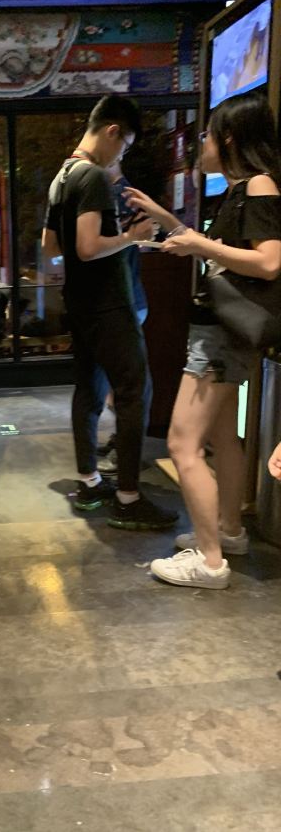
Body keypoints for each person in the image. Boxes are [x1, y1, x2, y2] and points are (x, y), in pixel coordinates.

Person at [125, 92, 281, 589]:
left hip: (218, 337)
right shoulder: (242, 189)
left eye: (208, 134)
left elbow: (269, 262)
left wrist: (196, 242)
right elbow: (222, 254)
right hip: (222, 333)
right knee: (221, 439)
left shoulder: (257, 186)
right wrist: (171, 223)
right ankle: (229, 531)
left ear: (229, 139)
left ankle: (210, 561)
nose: (202, 144)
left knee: (182, 443)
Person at [42, 94, 178, 530]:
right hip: (109, 303)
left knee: (88, 388)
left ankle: (89, 481)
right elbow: (88, 247)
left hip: (81, 303)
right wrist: (132, 236)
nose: (122, 155)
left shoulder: (62, 176)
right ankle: (128, 498)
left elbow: (51, 246)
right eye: (125, 146)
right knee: (136, 391)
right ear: (112, 131)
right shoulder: (95, 177)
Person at [97, 157, 153, 475]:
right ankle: (123, 442)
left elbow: (138, 240)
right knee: (124, 383)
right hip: (128, 300)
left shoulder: (122, 196)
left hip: (127, 302)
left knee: (128, 387)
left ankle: (127, 452)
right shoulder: (122, 195)